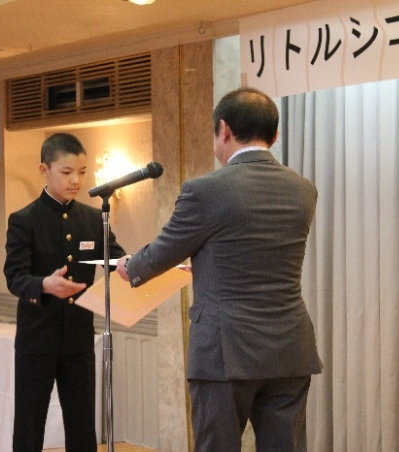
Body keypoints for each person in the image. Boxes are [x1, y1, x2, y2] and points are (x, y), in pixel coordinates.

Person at [116, 87, 322, 452]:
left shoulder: (205, 190)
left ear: (223, 129)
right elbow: (255, 253)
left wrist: (130, 265)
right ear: (275, 135)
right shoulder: (303, 189)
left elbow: (160, 254)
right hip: (289, 347)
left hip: (224, 349)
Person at [4, 132, 126, 452]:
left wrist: (152, 264)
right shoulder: (24, 220)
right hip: (36, 339)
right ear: (44, 170)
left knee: (83, 426)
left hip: (78, 339)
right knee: (30, 425)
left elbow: (117, 261)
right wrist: (44, 284)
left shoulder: (93, 218)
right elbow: (14, 277)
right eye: (67, 172)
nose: (76, 180)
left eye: (82, 172)